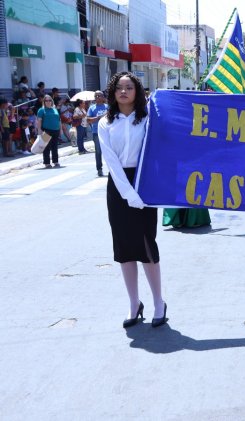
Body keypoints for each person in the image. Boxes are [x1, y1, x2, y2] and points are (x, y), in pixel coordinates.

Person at [98, 71, 167, 328]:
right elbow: (112, 163)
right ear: (113, 93)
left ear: (137, 91)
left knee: (147, 245)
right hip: (119, 187)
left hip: (144, 181)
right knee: (125, 248)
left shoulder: (148, 118)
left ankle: (159, 302)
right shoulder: (106, 122)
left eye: (129, 87)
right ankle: (134, 304)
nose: (124, 91)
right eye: (119, 88)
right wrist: (128, 194)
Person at [36, 95, 61, 168]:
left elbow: (59, 120)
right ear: (44, 102)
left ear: (52, 101)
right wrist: (39, 131)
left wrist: (60, 129)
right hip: (46, 130)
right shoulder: (41, 110)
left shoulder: (55, 109)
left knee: (55, 147)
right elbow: (39, 121)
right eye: (46, 100)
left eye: (49, 100)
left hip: (56, 130)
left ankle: (56, 161)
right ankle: (47, 163)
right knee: (46, 147)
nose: (48, 102)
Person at [87, 91, 108, 176]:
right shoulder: (92, 108)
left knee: (110, 151)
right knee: (98, 151)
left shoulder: (108, 107)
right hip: (96, 132)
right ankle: (99, 169)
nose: (98, 97)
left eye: (99, 95)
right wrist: (98, 117)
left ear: (103, 97)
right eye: (96, 96)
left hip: (108, 132)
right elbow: (88, 119)